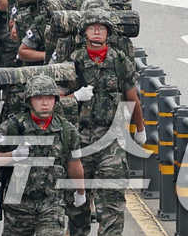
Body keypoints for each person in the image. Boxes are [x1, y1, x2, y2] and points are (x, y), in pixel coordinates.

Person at [63, 13, 146, 236]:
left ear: (108, 33)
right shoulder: (72, 62)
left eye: (102, 28)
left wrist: (140, 129)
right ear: (85, 33)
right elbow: (52, 101)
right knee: (77, 205)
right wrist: (73, 97)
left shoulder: (119, 61)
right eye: (92, 28)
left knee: (112, 202)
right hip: (78, 139)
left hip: (111, 139)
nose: (97, 31)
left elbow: (132, 98)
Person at [0, 75, 85, 236]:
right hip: (18, 206)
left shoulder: (67, 130)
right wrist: (12, 156)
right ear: (29, 100)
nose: (45, 103)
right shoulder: (11, 128)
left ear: (56, 100)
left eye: (49, 98)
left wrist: (80, 192)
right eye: (39, 98)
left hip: (51, 203)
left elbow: (74, 163)